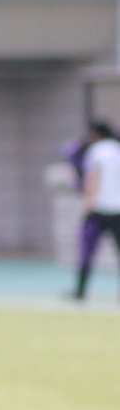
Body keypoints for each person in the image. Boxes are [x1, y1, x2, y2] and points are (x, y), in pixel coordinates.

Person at [75, 121, 120, 300]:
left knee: (87, 251)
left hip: (99, 210)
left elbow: (92, 178)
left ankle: (80, 291)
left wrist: (88, 203)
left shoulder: (97, 151)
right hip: (118, 210)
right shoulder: (117, 150)